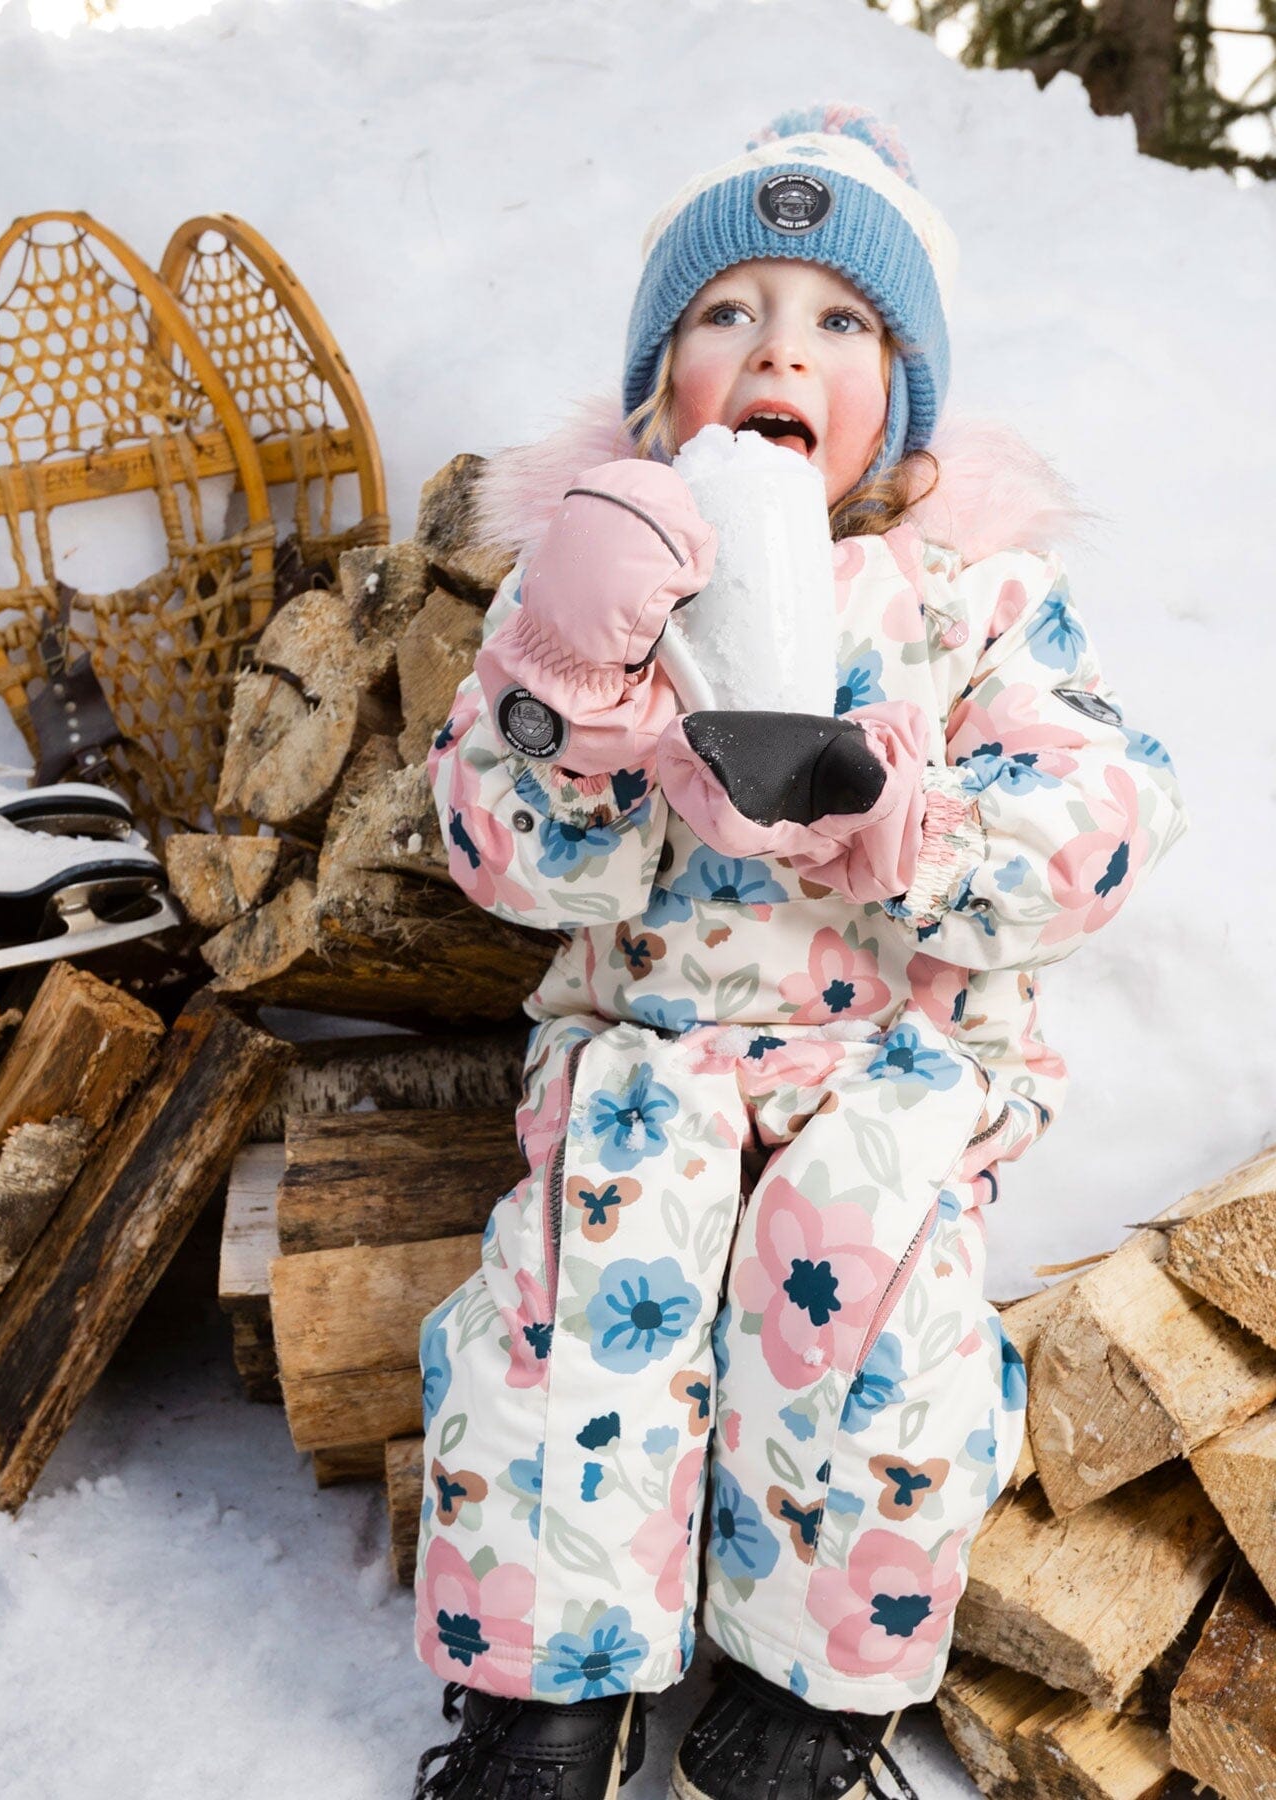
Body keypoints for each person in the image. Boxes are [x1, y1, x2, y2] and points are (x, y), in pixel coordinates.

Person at [410, 104, 1188, 1800]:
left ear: (898, 400)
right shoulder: (593, 580)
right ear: (658, 386)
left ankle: (821, 1685)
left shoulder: (975, 593)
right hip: (651, 1046)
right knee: (577, 1292)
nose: (781, 348)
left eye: (840, 320)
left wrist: (921, 837)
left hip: (895, 1061)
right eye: (727, 313)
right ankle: (551, 1686)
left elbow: (1110, 807)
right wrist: (572, 690)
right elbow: (511, 864)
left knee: (870, 1297)